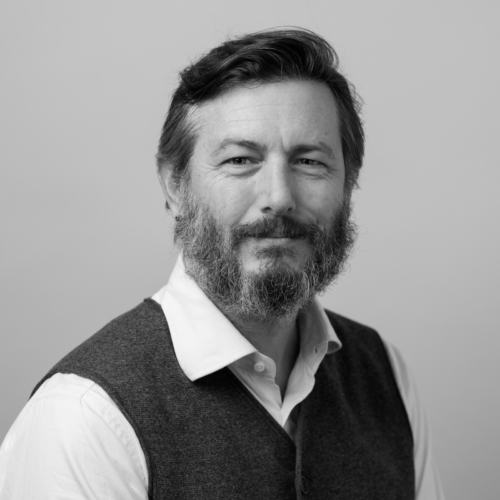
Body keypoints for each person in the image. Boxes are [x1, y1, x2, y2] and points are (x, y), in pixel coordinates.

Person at [0, 28, 445, 499]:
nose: (279, 198)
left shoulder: (386, 376)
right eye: (239, 160)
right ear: (176, 186)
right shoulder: (85, 418)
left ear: (349, 183)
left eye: (310, 162)